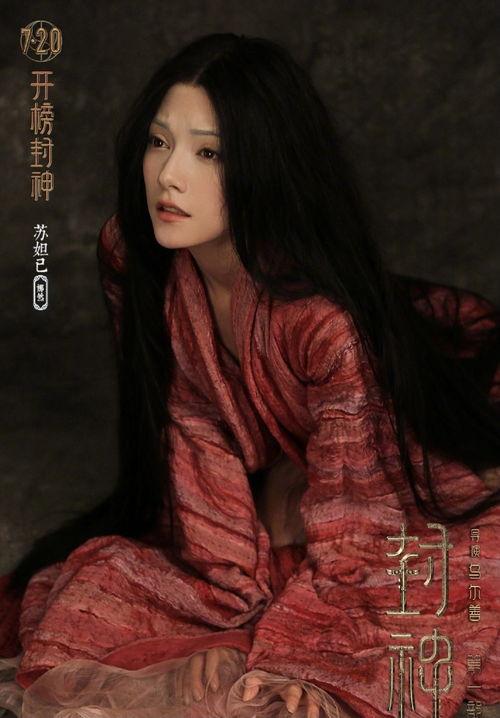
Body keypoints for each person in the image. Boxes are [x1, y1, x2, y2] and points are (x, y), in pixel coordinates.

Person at [1, 32, 499, 718]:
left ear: (266, 167)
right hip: (280, 465)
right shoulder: (133, 253)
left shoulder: (322, 322)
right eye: (158, 142)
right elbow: (184, 424)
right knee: (98, 590)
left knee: (452, 579)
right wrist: (223, 598)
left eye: (209, 153)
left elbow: (359, 530)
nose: (169, 175)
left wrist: (298, 660)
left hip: (390, 448)